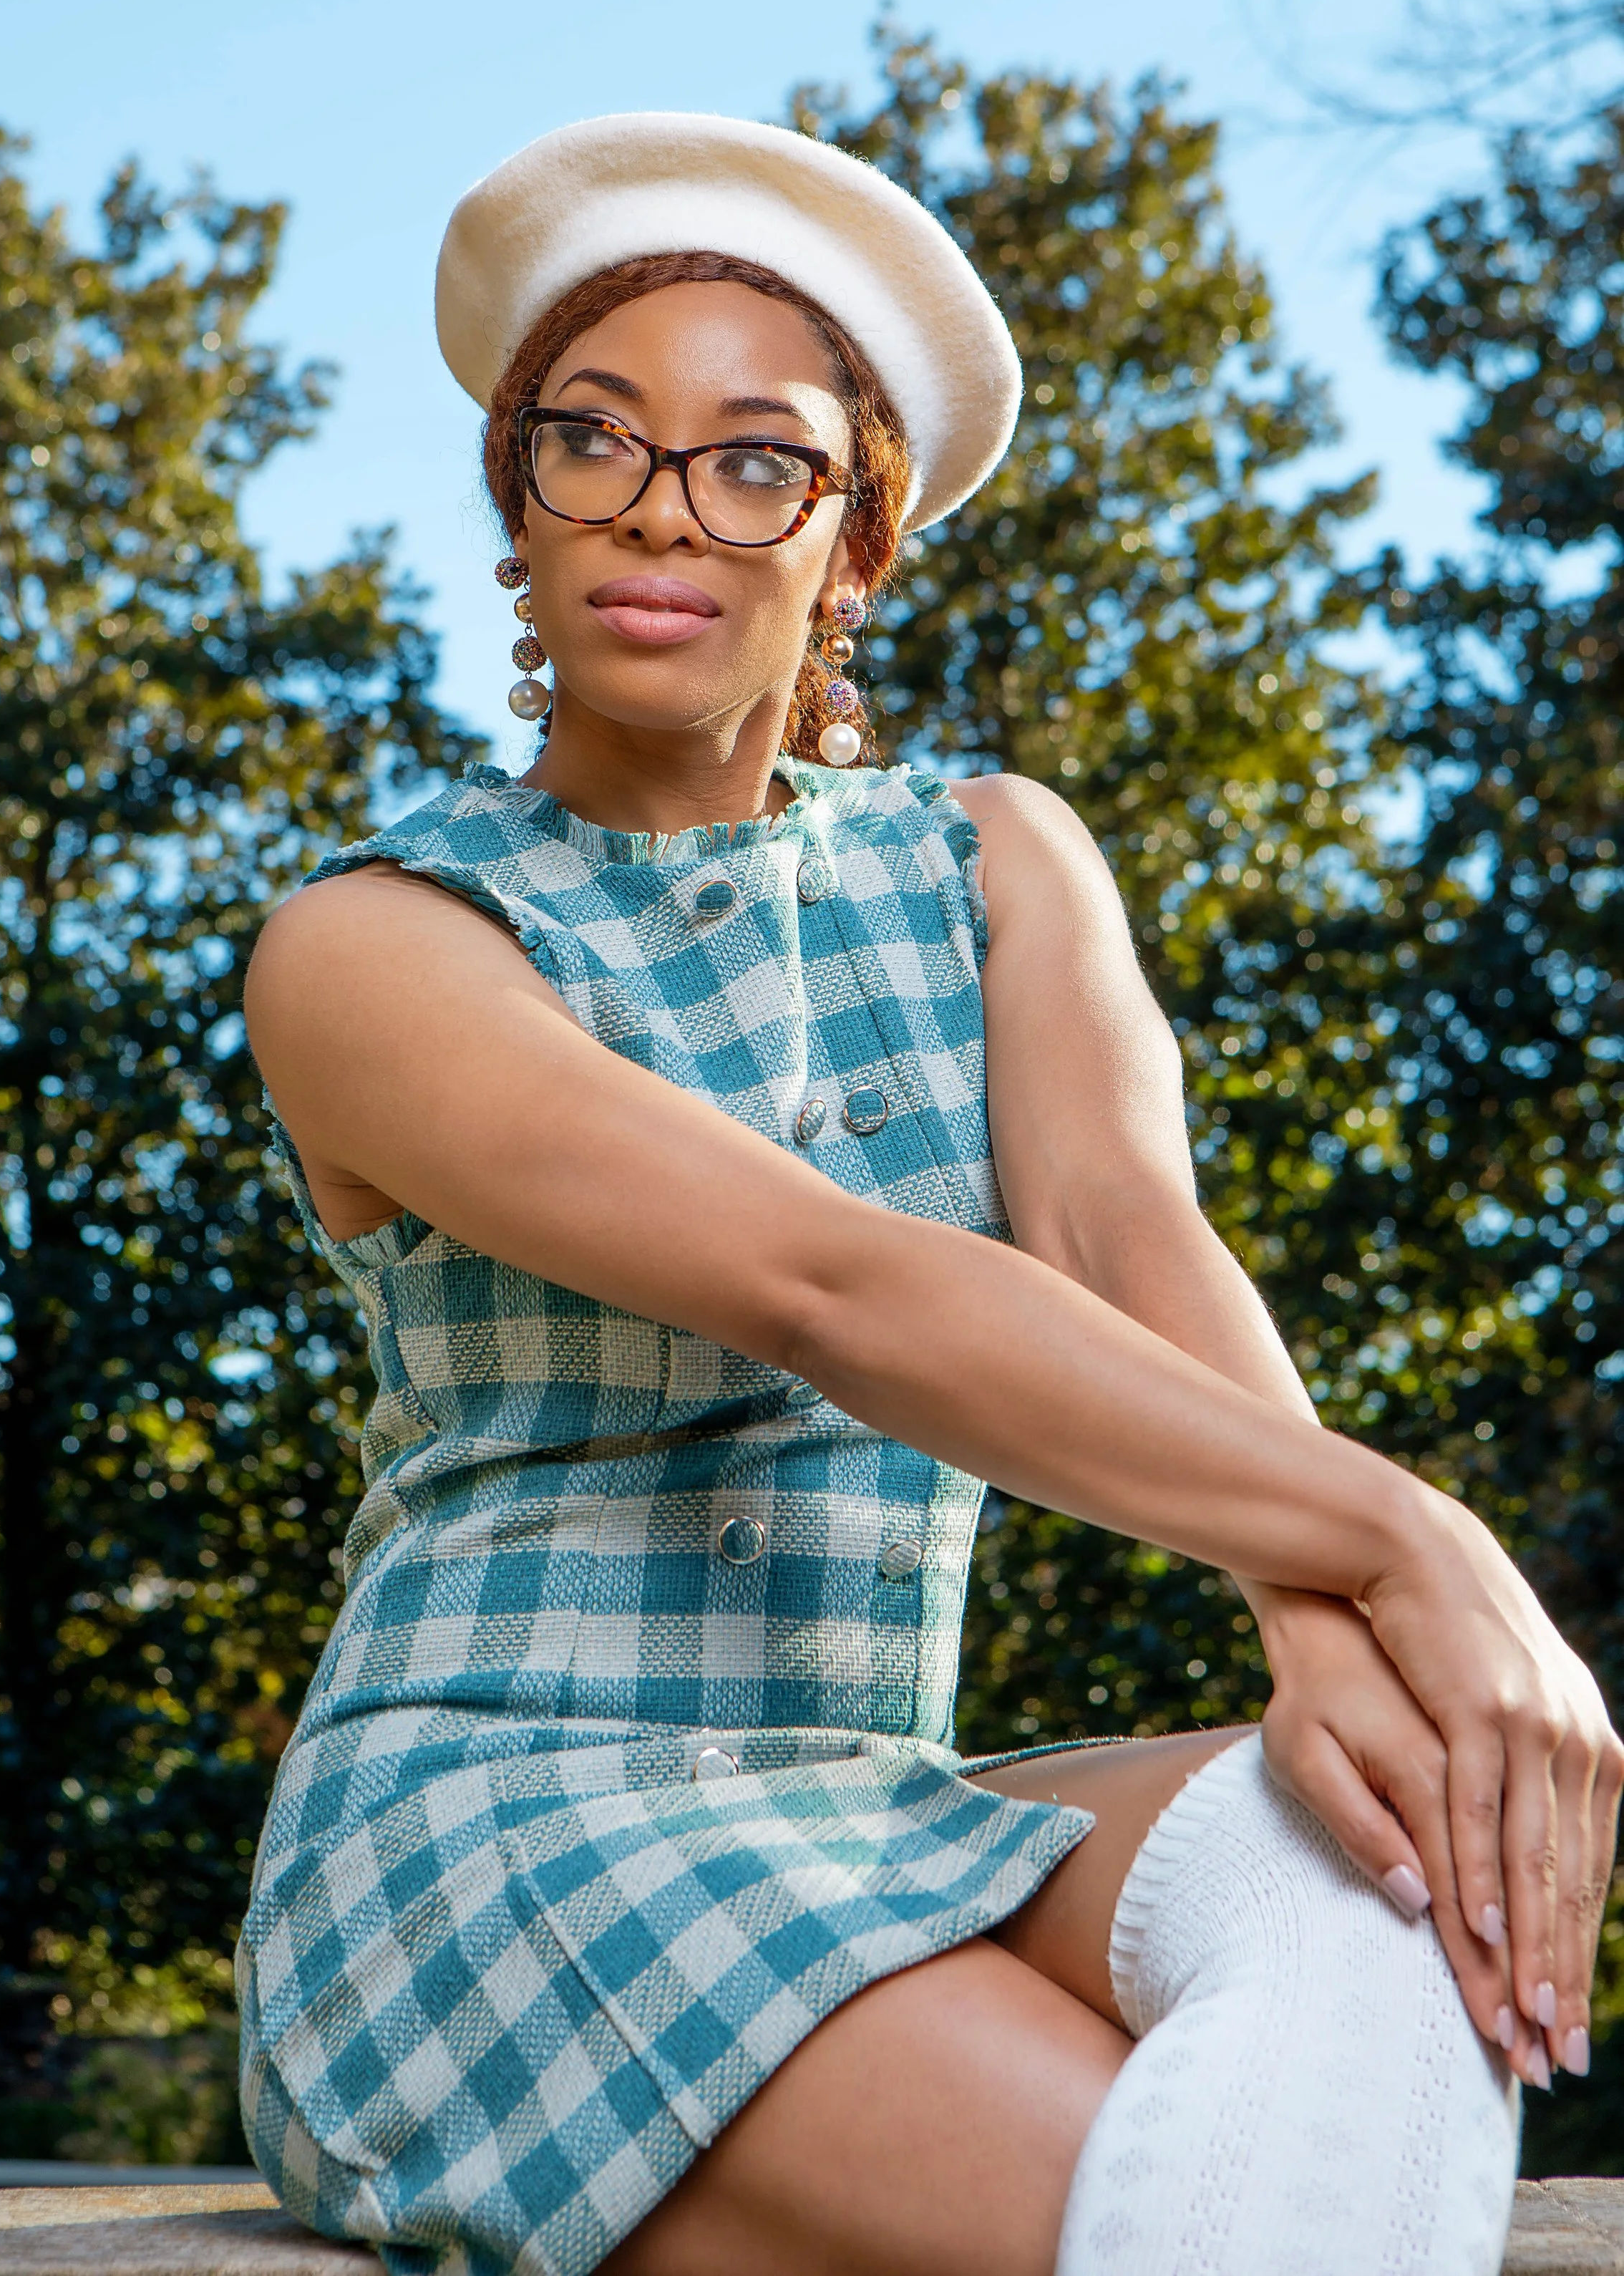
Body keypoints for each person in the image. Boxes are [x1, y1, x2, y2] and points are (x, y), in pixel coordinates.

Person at [237, 112, 1620, 2276]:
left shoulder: (993, 857)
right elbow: (828, 1281)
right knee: (1229, 2200)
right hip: (486, 1836)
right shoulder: (378, 945)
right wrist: (1411, 1538)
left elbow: (1125, 1240)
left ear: (855, 539)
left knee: (1379, 1876)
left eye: (754, 455)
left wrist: (1317, 1627)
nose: (658, 508)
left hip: (872, 1801)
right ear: (514, 508)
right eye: (588, 441)